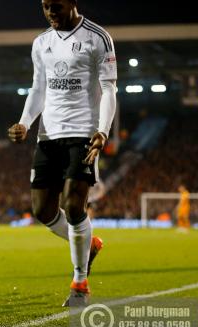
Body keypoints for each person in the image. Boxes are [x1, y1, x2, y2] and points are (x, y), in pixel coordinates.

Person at [7, 0, 116, 306]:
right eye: (45, 7)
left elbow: (109, 89)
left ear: (72, 2)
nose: (50, 12)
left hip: (82, 133)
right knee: (42, 211)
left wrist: (103, 130)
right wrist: (25, 122)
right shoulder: (41, 43)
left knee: (73, 204)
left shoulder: (98, 37)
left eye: (56, 5)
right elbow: (38, 87)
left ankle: (79, 283)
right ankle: (88, 243)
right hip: (48, 136)